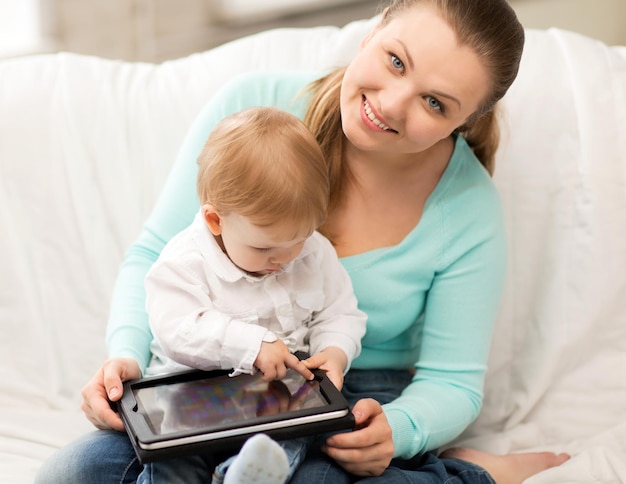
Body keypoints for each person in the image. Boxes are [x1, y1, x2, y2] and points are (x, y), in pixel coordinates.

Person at [36, 0, 571, 482]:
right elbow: (157, 256)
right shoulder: (255, 111)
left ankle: (463, 473)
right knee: (74, 473)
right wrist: (124, 359)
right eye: (395, 61)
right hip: (209, 381)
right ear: (374, 30)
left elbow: (454, 384)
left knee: (312, 480)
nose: (390, 104)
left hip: (350, 390)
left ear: (466, 120)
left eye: (434, 103)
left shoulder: (467, 209)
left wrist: (399, 430)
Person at [140, 106, 366, 483]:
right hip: (192, 405)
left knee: (299, 433)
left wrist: (335, 351)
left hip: (276, 401)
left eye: (298, 239)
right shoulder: (184, 263)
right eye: (264, 249)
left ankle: (240, 477)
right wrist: (254, 344)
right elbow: (177, 329)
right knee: (170, 462)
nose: (284, 259)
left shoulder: (314, 252)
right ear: (216, 221)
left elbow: (341, 312)